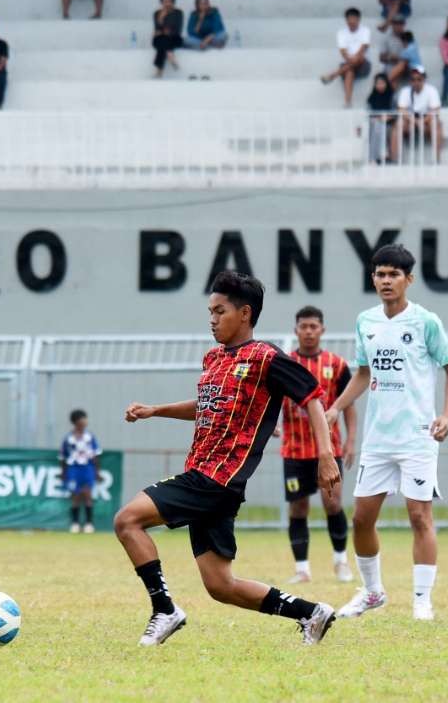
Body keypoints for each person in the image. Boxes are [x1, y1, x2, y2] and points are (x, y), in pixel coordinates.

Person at [114, 271, 339, 647]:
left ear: (245, 314)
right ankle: (310, 613)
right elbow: (204, 406)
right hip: (207, 479)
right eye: (210, 311)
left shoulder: (266, 358)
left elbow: (312, 397)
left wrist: (326, 455)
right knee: (221, 585)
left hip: (215, 478)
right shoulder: (214, 358)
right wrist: (157, 409)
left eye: (220, 311)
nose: (212, 319)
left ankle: (164, 608)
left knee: (127, 520)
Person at [326, 245, 448, 622]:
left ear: (408, 280)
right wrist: (336, 406)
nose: (386, 281)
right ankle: (372, 593)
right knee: (362, 518)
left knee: (419, 516)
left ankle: (422, 600)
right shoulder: (366, 321)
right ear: (373, 278)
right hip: (379, 439)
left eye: (394, 275)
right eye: (380, 274)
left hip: (418, 436)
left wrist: (446, 415)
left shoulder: (425, 322)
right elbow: (364, 373)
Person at [278, 306, 357, 584]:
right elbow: (268, 398)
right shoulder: (285, 364)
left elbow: (347, 404)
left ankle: (341, 563)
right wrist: (270, 426)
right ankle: (302, 569)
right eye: (304, 326)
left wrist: (350, 440)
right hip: (294, 451)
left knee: (332, 503)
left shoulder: (336, 364)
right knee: (298, 508)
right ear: (296, 330)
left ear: (322, 329)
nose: (309, 332)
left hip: (329, 449)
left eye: (314, 326)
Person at [58, 409, 103, 534]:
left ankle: (89, 524)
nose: (85, 421)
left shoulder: (89, 437)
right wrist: (63, 473)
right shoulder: (68, 438)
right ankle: (75, 523)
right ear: (76, 421)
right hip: (73, 469)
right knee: (75, 496)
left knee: (88, 495)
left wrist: (97, 472)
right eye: (83, 418)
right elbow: (63, 458)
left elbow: (95, 455)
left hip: (87, 468)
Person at [321, 8, 372, 107]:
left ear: (358, 19)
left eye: (354, 19)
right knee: (349, 71)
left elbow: (364, 48)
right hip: (347, 63)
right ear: (346, 20)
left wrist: (355, 58)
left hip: (363, 64)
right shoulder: (341, 33)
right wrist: (350, 59)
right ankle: (348, 101)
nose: (352, 22)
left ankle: (333, 75)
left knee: (359, 58)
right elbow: (343, 51)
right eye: (349, 19)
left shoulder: (365, 30)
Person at [391, 65, 442, 163]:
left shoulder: (431, 90)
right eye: (413, 79)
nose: (416, 82)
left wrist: (423, 121)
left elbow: (435, 110)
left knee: (435, 124)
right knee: (398, 125)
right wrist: (415, 121)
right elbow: (401, 110)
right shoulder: (405, 91)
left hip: (426, 120)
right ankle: (395, 160)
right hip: (410, 120)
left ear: (424, 79)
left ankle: (437, 159)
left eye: (419, 79)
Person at [152, 0, 184, 77]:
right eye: (165, 1)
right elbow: (156, 29)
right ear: (161, 2)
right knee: (162, 40)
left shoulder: (178, 13)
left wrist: (164, 32)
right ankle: (170, 54)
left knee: (164, 42)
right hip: (160, 39)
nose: (167, 4)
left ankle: (159, 70)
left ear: (173, 2)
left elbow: (178, 29)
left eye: (169, 1)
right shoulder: (157, 13)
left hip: (174, 38)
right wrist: (161, 18)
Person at [367, 73, 395, 162]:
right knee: (377, 125)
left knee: (379, 125)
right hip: (376, 122)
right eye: (378, 83)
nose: (380, 85)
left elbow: (396, 113)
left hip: (389, 122)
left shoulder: (392, 96)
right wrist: (379, 118)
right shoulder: (371, 98)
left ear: (386, 83)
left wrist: (387, 118)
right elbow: (369, 113)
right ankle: (376, 156)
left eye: (382, 83)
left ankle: (379, 155)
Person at [379, 13, 409, 87]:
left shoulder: (409, 38)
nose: (398, 26)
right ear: (392, 25)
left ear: (404, 25)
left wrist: (398, 58)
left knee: (401, 64)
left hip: (406, 67)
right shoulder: (387, 38)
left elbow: (411, 58)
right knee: (394, 74)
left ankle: (384, 85)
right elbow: (381, 58)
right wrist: (390, 57)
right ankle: (389, 94)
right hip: (391, 66)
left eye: (400, 24)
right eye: (396, 24)